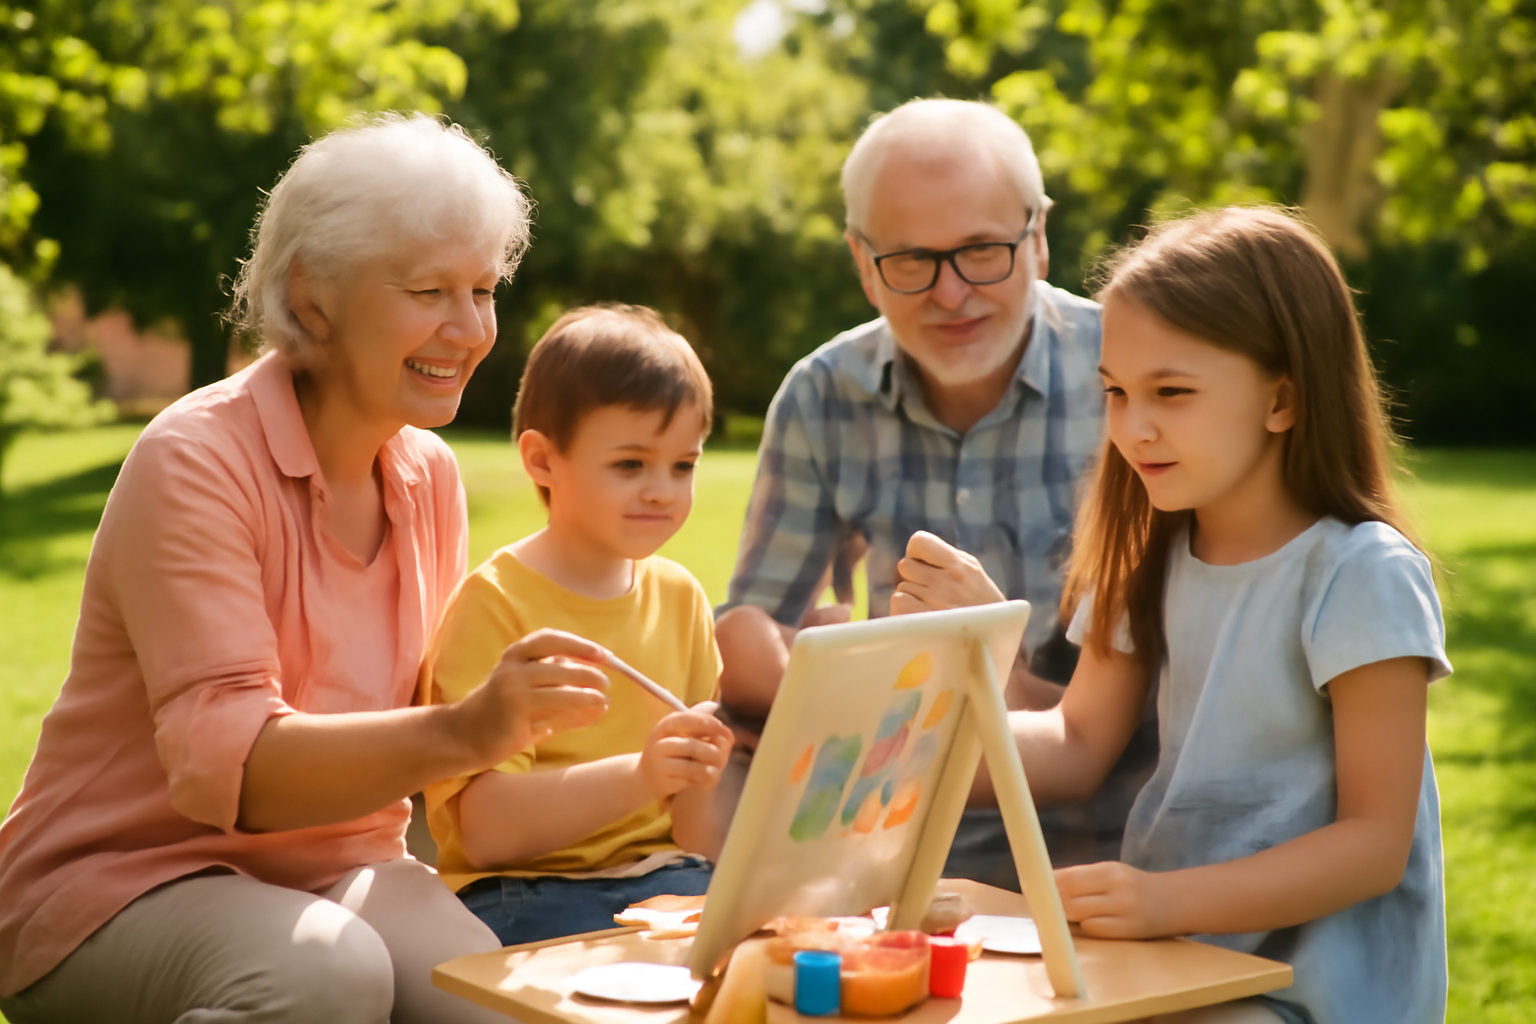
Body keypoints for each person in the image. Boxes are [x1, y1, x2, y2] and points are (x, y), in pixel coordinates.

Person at [0, 114, 620, 1024]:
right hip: (117, 883)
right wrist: (465, 729)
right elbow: (236, 775)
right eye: (427, 290)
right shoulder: (194, 459)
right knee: (328, 979)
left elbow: (433, 771)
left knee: (493, 1003)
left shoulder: (427, 476)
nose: (468, 328)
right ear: (314, 295)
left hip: (340, 867)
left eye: (483, 289)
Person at [905, 207, 1449, 1024]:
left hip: (1312, 993)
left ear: (1283, 398)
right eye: (1116, 393)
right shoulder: (1144, 559)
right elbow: (1076, 741)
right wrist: (925, 716)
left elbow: (1373, 843)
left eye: (1172, 392)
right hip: (1173, 961)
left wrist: (1165, 902)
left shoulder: (1359, 574)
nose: (1133, 427)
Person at [715, 97, 1156, 873]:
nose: (951, 294)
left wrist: (991, 676)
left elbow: (1158, 719)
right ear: (862, 263)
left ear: (1039, 238)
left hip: (1115, 856)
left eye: (982, 250)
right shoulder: (821, 399)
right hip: (889, 857)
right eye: (912, 260)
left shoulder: (1135, 385)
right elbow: (754, 654)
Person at [421, 305, 735, 948]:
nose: (662, 491)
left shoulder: (681, 598)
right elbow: (485, 833)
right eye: (630, 465)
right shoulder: (497, 605)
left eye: (684, 465)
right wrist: (642, 777)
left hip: (671, 881)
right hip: (528, 891)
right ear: (542, 460)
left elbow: (699, 833)